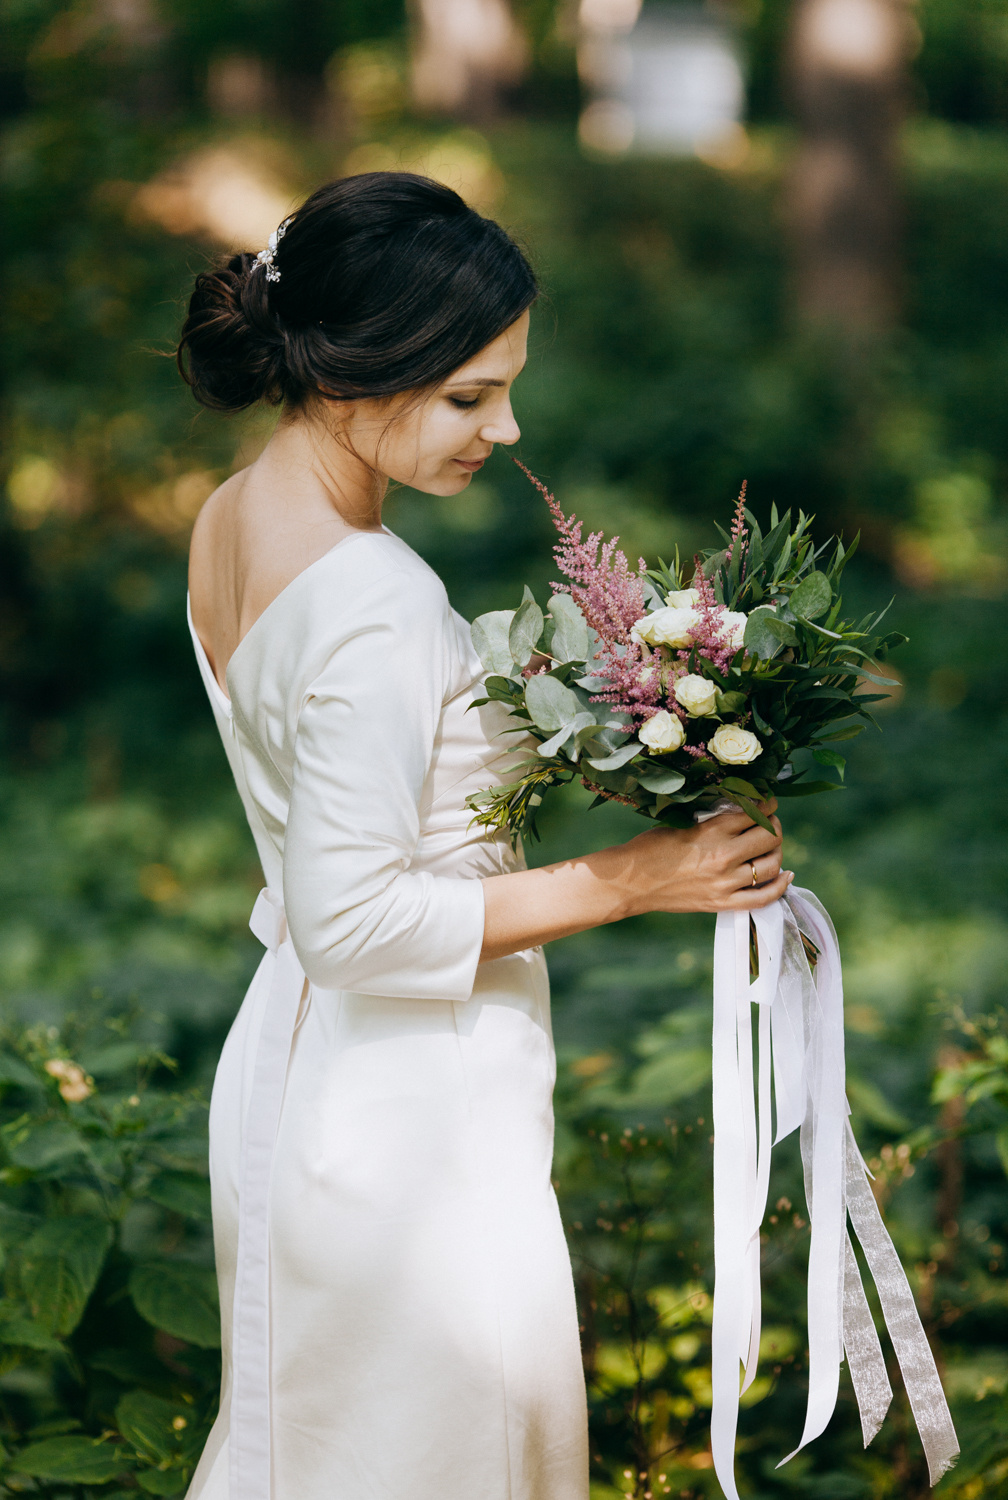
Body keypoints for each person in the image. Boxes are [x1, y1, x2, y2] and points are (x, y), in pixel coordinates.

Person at [180, 171, 790, 1500]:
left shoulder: (239, 517)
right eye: (468, 395)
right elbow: (356, 923)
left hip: (296, 1071)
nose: (504, 430)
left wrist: (619, 718)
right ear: (351, 370)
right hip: (404, 1112)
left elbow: (354, 789)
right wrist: (637, 880)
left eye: (504, 387)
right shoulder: (375, 597)